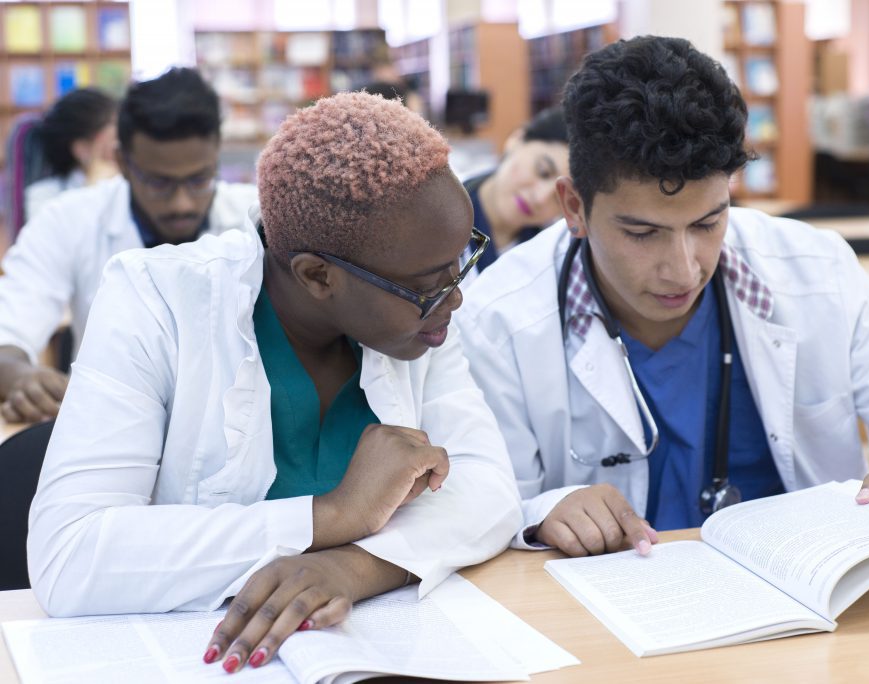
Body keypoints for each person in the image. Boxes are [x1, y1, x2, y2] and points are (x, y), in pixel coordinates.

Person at [457, 36, 869, 558]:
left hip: (804, 596)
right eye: (641, 233)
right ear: (574, 206)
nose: (684, 269)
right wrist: (541, 515)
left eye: (708, 222)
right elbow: (480, 503)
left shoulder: (815, 273)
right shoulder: (498, 318)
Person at [27, 91, 522, 675]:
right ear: (318, 276)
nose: (455, 297)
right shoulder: (156, 300)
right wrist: (334, 516)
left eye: (461, 263)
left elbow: (489, 490)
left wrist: (354, 567)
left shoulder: (421, 320)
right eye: (429, 284)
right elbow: (71, 556)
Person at [0, 67, 257, 424]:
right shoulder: (69, 220)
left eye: (199, 178)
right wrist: (21, 377)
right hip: (108, 425)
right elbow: (8, 330)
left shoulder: (257, 220)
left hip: (233, 429)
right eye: (159, 182)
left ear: (216, 155)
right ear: (122, 162)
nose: (182, 203)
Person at [461, 106, 568, 272]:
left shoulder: (548, 262)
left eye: (558, 198)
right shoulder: (438, 208)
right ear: (517, 140)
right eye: (543, 171)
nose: (540, 198)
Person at [24, 87, 119, 221]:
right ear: (82, 149)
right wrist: (94, 187)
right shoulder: (43, 196)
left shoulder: (130, 183)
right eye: (115, 136)